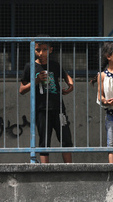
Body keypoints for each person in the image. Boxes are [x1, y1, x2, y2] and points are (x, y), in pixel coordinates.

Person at [19, 35, 73, 163]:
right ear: (34, 50)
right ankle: (45, 170)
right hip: (42, 110)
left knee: (66, 139)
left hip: (59, 109)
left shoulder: (55, 65)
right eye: (38, 49)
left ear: (50, 50)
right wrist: (36, 81)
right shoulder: (30, 66)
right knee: (44, 142)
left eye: (44, 49)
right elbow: (21, 89)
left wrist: (70, 86)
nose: (41, 53)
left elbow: (66, 76)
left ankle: (70, 170)